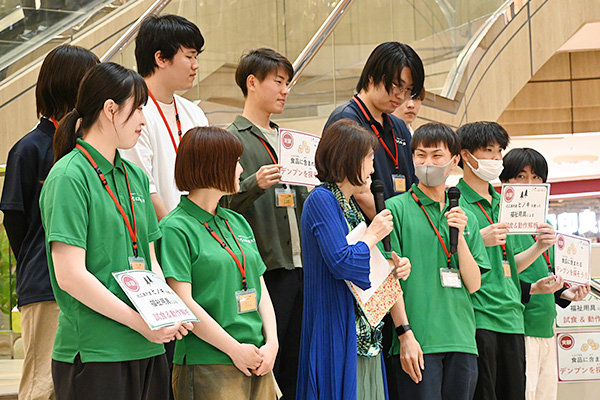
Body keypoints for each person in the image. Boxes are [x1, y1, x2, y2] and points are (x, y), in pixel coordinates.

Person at [39, 62, 191, 400]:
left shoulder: (135, 176)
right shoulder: (69, 176)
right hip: (96, 351)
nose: (142, 120)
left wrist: (168, 312)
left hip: (148, 348)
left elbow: (150, 259)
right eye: (137, 109)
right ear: (110, 109)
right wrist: (141, 322)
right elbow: (71, 276)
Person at [0, 44, 98, 400]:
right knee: (44, 385)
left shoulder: (88, 145)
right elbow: (16, 221)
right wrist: (41, 263)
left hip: (95, 283)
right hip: (45, 287)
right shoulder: (29, 149)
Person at [157, 126, 278, 400]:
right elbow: (183, 302)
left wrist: (272, 343)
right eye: (235, 161)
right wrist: (235, 349)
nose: (241, 169)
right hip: (208, 362)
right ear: (213, 165)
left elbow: (260, 289)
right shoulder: (175, 228)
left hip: (258, 359)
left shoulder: (237, 221)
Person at [297, 119, 411, 400]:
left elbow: (360, 264)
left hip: (362, 329)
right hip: (337, 326)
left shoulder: (347, 203)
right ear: (349, 159)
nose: (373, 169)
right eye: (370, 159)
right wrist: (372, 235)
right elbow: (342, 262)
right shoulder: (322, 199)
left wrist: (392, 270)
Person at [221, 48, 306, 400]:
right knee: (268, 359)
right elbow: (221, 202)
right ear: (252, 83)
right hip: (264, 267)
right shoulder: (231, 139)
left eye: (288, 83)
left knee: (296, 362)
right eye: (278, 82)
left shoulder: (291, 141)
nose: (285, 90)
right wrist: (254, 182)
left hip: (301, 266)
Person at [383, 123, 489, 400]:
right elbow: (388, 278)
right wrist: (404, 333)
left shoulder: (467, 216)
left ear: (455, 161)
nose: (427, 162)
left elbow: (474, 283)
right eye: (421, 155)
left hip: (462, 340)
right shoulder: (395, 209)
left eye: (436, 155)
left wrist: (461, 236)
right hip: (418, 342)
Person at [456, 121, 558, 400]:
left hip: (513, 318)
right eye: (489, 151)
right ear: (466, 156)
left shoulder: (506, 204)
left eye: (499, 151)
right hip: (479, 318)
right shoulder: (456, 204)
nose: (496, 159)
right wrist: (478, 239)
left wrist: (539, 247)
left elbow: (511, 264)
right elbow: (453, 266)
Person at [500, 148, 590, 400]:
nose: (530, 184)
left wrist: (567, 293)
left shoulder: (545, 225)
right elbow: (501, 275)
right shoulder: (500, 224)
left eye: (536, 177)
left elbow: (548, 272)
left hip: (546, 328)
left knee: (546, 395)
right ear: (505, 180)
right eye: (521, 176)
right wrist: (537, 251)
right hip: (519, 328)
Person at [323, 41, 425, 219]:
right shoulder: (346, 120)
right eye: (396, 85)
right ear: (372, 76)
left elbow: (413, 183)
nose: (401, 96)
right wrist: (394, 230)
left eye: (408, 90)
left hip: (395, 229)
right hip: (366, 233)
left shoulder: (399, 126)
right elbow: (358, 191)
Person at [122, 14, 208, 220]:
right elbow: (143, 188)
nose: (195, 65)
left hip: (197, 234)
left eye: (196, 57)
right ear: (160, 58)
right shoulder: (131, 112)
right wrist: (175, 236)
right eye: (189, 56)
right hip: (161, 237)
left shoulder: (194, 113)